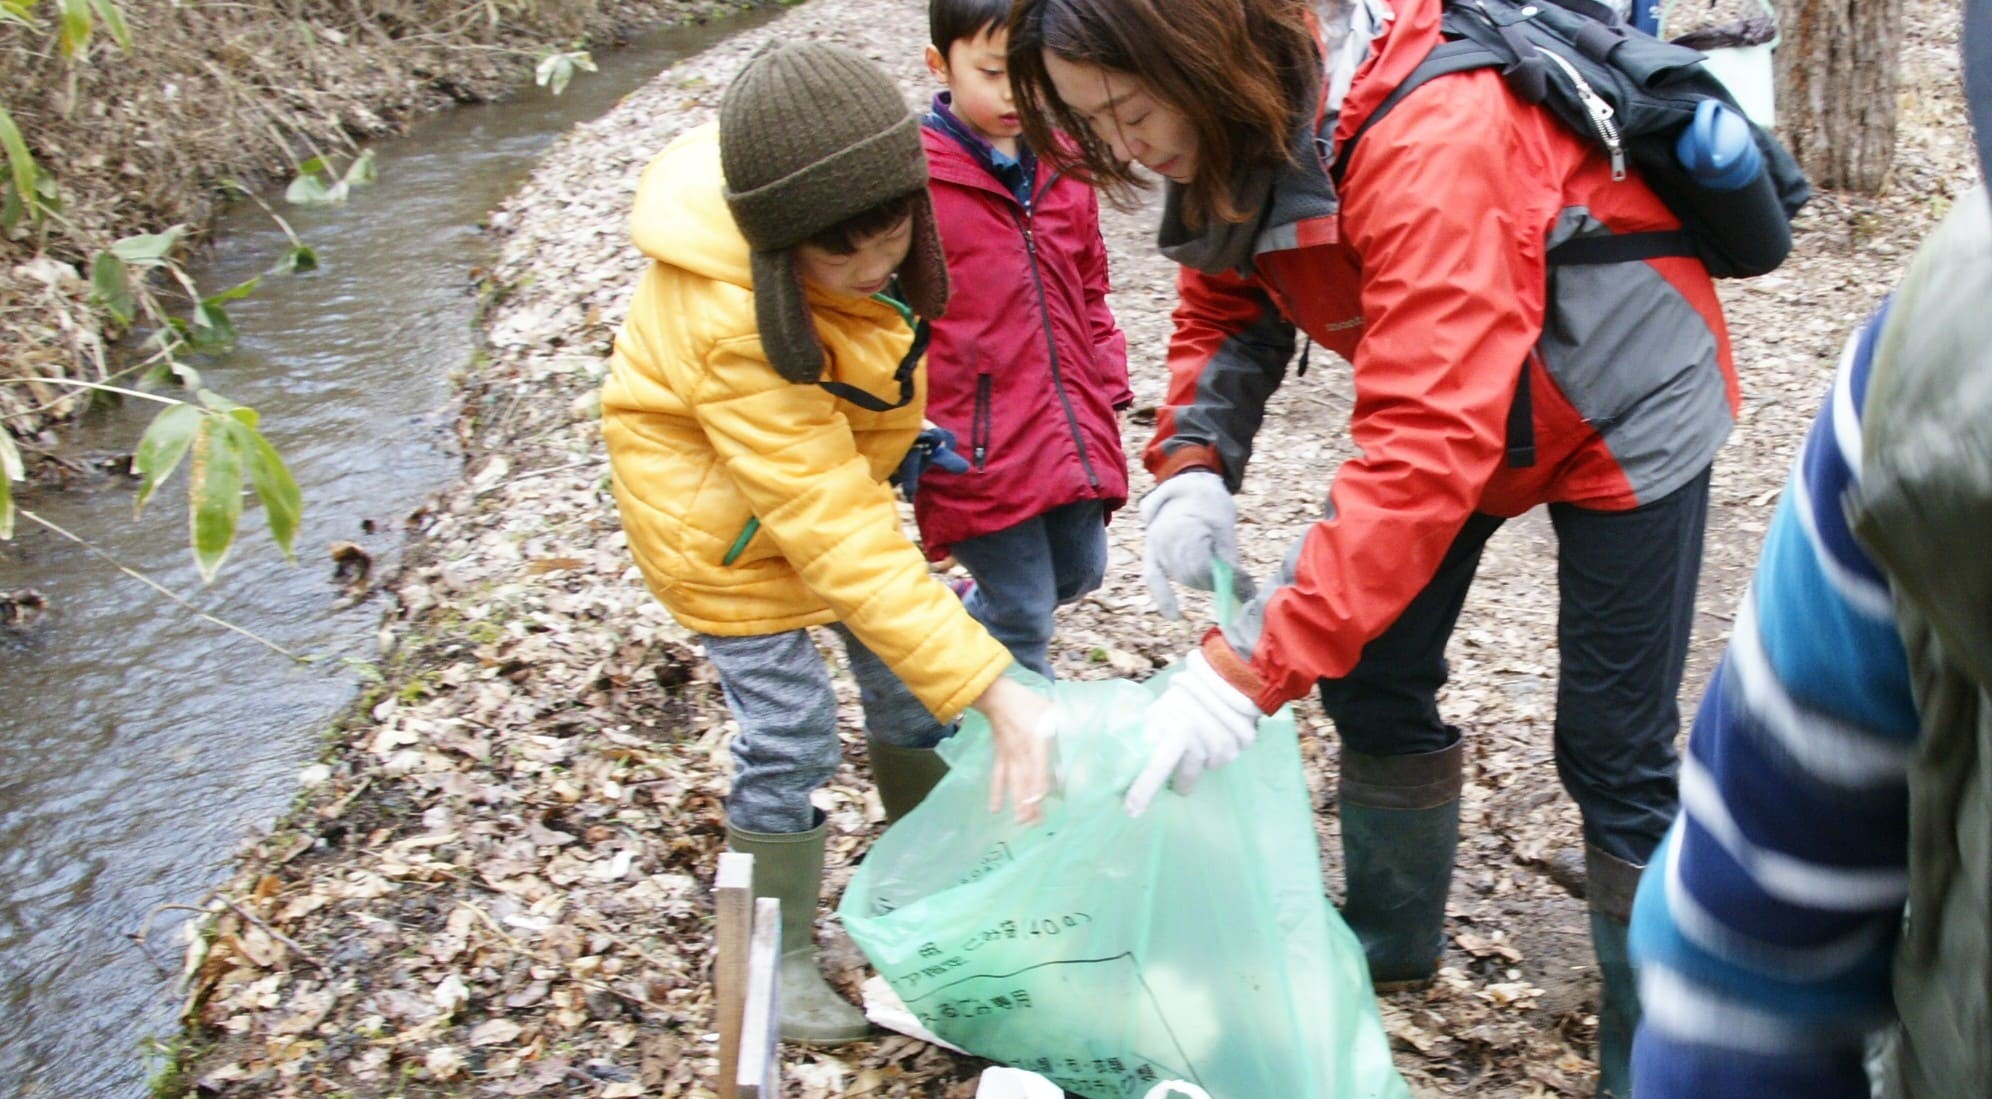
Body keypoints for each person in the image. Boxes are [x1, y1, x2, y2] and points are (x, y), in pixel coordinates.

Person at [1007, 1, 1738, 1093]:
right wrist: (1193, 465)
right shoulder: (1234, 119)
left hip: (1624, 403)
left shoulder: (1432, 128)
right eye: (1091, 123)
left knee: (1612, 749)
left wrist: (1244, 670)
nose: (1123, 148)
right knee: (1378, 677)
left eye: (1125, 111)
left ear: (1195, 54)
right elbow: (1226, 298)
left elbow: (1428, 443)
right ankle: (1393, 939)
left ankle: (1657, 1050)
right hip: (1464, 413)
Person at [599, 41, 1054, 1045]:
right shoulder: (730, 321)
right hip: (721, 531)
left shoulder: (872, 250)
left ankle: (930, 879)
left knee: (904, 683)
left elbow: (853, 435)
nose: (874, 266)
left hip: (811, 487)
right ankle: (773, 960)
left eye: (890, 234)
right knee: (792, 731)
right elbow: (829, 522)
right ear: (775, 249)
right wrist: (995, 686)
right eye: (838, 255)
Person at [1628, 6, 1992, 1094]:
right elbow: (1762, 914)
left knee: (1612, 745)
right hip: (1581, 412)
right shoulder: (1938, 375)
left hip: (1637, 427)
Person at [908, 0, 1131, 704]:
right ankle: (1020, 764)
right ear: (940, 65)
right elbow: (882, 316)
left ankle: (962, 636)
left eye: (1033, 76)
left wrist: (1107, 380)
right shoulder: (915, 179)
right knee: (1027, 613)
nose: (1017, 96)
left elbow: (1089, 285)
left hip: (1065, 418)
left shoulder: (1066, 162)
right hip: (967, 444)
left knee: (1079, 570)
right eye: (996, 74)